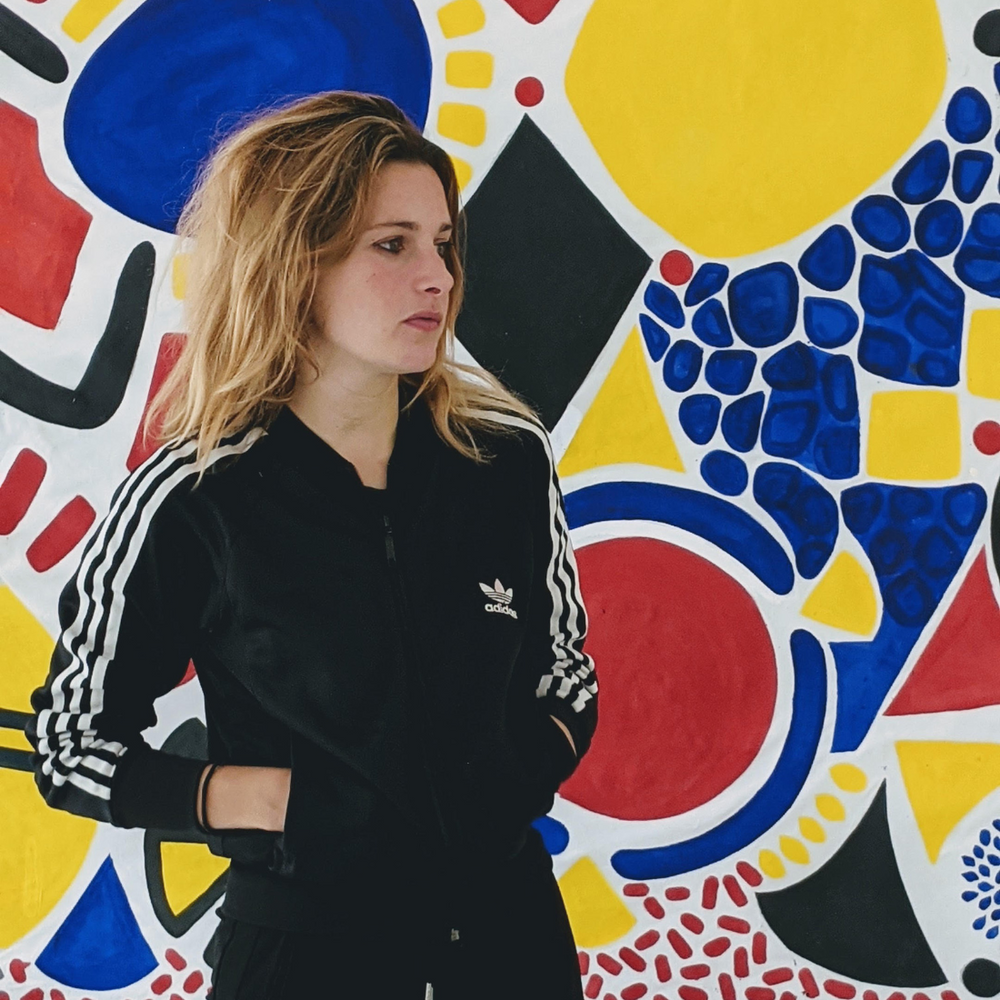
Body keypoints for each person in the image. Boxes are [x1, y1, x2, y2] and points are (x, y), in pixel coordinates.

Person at [25, 90, 598, 999]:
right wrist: (267, 801)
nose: (439, 277)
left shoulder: (504, 463)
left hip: (510, 943)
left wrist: (520, 771)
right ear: (293, 263)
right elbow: (71, 742)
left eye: (443, 243)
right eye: (392, 245)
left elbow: (565, 668)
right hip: (306, 957)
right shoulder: (196, 499)